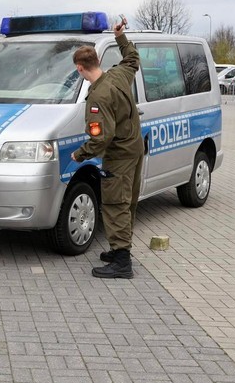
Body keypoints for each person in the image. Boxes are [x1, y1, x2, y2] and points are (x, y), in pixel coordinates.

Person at [71, 18, 144, 279]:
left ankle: (122, 261)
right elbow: (133, 58)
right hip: (134, 149)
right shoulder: (118, 74)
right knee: (127, 201)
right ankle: (118, 250)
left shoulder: (99, 95)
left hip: (119, 155)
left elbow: (102, 137)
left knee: (116, 204)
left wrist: (80, 154)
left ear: (80, 69)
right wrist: (120, 37)